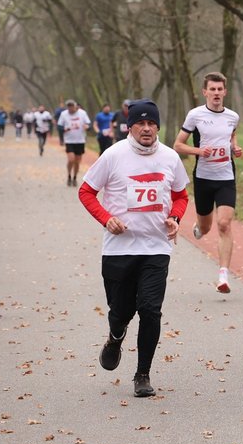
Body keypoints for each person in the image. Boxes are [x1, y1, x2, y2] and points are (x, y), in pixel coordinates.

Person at [78, 99, 190, 398]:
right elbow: (86, 191)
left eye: (151, 123)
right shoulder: (114, 155)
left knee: (150, 310)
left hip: (156, 247)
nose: (146, 128)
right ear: (130, 126)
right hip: (118, 249)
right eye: (140, 123)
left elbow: (180, 195)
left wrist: (175, 217)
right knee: (121, 311)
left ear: (157, 126)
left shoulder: (169, 157)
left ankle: (143, 374)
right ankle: (115, 337)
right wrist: (107, 219)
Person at [174, 72, 243, 293]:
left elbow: (231, 135)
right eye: (211, 89)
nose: (216, 93)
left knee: (224, 224)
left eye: (219, 89)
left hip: (226, 177)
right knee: (206, 227)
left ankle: (223, 275)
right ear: (205, 92)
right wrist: (199, 151)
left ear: (225, 91)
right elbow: (178, 145)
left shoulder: (233, 116)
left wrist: (235, 147)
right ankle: (199, 227)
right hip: (203, 177)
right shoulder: (195, 115)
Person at [57, 99, 91, 186]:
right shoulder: (64, 114)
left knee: (77, 161)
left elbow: (89, 124)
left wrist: (87, 126)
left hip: (80, 140)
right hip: (69, 140)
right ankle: (69, 175)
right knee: (71, 159)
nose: (70, 108)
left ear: (75, 106)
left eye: (72, 106)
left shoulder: (82, 113)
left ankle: (74, 177)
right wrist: (64, 129)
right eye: (68, 107)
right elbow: (59, 126)